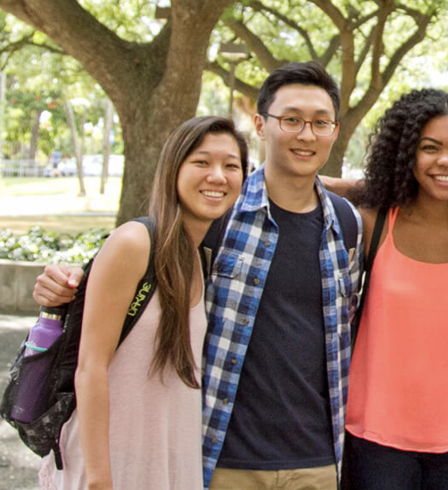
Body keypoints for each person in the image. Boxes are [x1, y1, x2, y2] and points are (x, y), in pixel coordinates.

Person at [34, 62, 362, 490]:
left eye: (320, 122)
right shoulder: (220, 210)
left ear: (335, 130)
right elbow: (139, 262)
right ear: (262, 125)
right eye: (292, 120)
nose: (306, 134)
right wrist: (67, 281)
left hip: (316, 460)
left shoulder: (346, 224)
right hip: (218, 455)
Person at [39, 116, 248, 490]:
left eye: (231, 165)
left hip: (170, 462)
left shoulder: (199, 258)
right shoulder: (135, 242)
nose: (218, 176)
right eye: (202, 162)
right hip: (112, 464)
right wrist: (99, 479)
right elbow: (90, 368)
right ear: (173, 169)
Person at [344, 88, 448, 489]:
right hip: (375, 438)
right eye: (429, 147)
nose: (446, 161)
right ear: (406, 154)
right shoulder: (371, 224)